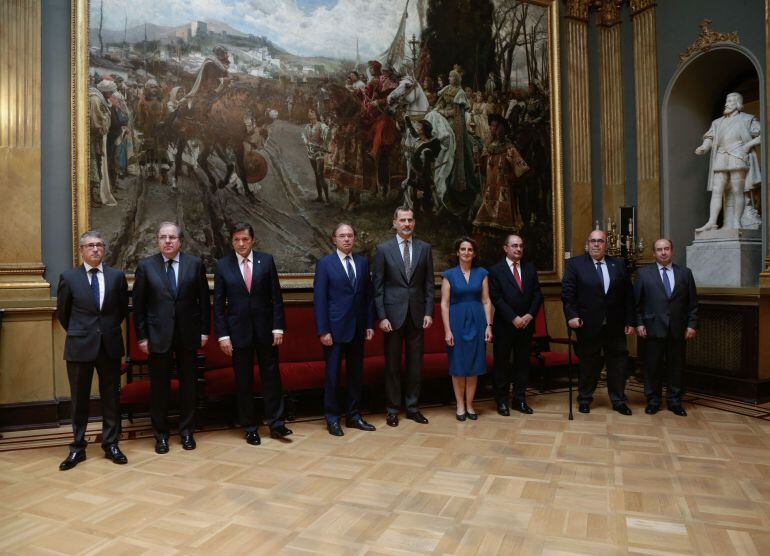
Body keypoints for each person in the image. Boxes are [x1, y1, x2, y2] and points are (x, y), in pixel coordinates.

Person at [132, 222, 210, 453]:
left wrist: (204, 331)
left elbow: (204, 301)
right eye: (163, 237)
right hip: (158, 336)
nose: (168, 241)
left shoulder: (194, 264)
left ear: (180, 241)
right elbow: (139, 306)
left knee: (189, 386)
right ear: (157, 240)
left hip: (188, 335)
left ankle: (187, 432)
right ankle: (161, 435)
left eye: (172, 237)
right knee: (159, 389)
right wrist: (142, 337)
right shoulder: (146, 266)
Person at [214, 222, 292, 445]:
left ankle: (277, 424)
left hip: (266, 330)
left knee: (272, 378)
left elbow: (276, 298)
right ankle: (250, 427)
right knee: (244, 381)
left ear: (253, 240)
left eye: (245, 239)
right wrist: (223, 336)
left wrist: (278, 327)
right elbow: (218, 306)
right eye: (236, 240)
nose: (241, 244)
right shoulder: (222, 266)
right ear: (232, 241)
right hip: (238, 333)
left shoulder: (266, 261)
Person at [56, 231, 129, 470]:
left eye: (99, 245)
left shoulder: (117, 276)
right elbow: (64, 314)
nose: (95, 249)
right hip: (79, 346)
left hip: (109, 345)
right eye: (90, 246)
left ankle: (111, 444)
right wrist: (83, 331)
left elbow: (120, 311)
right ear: (82, 250)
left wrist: (103, 330)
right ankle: (78, 447)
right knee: (79, 399)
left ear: (104, 249)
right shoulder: (69, 277)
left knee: (111, 397)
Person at [561, 229, 635, 415]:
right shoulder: (575, 264)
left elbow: (628, 295)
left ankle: (618, 400)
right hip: (587, 324)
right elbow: (568, 294)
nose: (596, 244)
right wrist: (571, 315)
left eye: (600, 241)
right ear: (587, 244)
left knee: (618, 363)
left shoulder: (618, 264)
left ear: (606, 245)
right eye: (592, 241)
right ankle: (585, 399)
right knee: (589, 363)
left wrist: (630, 320)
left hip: (615, 324)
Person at [373, 206, 435, 426]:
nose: (406, 224)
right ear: (395, 223)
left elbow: (429, 285)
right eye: (402, 220)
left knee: (415, 365)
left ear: (414, 223)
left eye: (410, 220)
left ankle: (412, 407)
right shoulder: (383, 249)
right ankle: (392, 409)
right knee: (392, 365)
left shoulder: (425, 248)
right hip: (392, 317)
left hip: (417, 315)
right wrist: (382, 316)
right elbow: (378, 287)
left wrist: (429, 312)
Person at [313, 223, 377, 436]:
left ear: (354, 238)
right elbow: (320, 299)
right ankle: (332, 418)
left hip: (358, 328)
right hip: (334, 330)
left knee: (355, 375)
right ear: (334, 239)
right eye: (342, 236)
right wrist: (323, 330)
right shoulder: (325, 264)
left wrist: (369, 324)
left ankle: (354, 415)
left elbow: (368, 297)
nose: (347, 239)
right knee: (332, 375)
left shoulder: (362, 262)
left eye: (350, 235)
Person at [634, 239, 698, 416]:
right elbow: (636, 303)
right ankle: (653, 401)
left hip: (678, 329)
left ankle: (674, 401)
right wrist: (639, 323)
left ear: (672, 251)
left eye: (666, 249)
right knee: (652, 367)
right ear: (653, 253)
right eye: (659, 250)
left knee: (676, 367)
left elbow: (692, 303)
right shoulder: (643, 274)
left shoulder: (685, 273)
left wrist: (691, 325)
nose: (663, 252)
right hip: (652, 328)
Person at [488, 234, 543, 415]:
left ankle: (519, 400)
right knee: (502, 365)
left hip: (526, 326)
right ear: (506, 248)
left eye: (520, 246)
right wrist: (513, 318)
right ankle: (502, 401)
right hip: (505, 326)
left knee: (522, 364)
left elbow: (537, 295)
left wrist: (528, 316)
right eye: (514, 246)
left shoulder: (529, 268)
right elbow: (496, 297)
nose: (518, 249)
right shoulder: (495, 270)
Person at [440, 237, 492, 420]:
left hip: (477, 322)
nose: (466, 252)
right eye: (463, 249)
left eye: (470, 249)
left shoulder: (482, 273)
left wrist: (488, 326)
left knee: (474, 365)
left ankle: (470, 405)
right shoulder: (449, 275)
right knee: (458, 366)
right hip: (456, 323)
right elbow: (444, 304)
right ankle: (460, 405)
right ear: (457, 252)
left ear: (474, 253)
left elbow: (486, 301)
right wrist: (447, 330)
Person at [695, 92, 762, 231]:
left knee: (738, 190)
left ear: (738, 103)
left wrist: (748, 145)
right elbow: (710, 138)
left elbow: (763, 134)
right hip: (721, 156)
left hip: (738, 155)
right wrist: (704, 147)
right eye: (727, 100)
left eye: (731, 101)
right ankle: (712, 221)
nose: (727, 103)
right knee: (717, 190)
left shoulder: (747, 119)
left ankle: (737, 222)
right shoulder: (717, 122)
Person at [301, 107, 331, 203]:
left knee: (320, 174)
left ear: (316, 115)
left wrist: (325, 145)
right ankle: (320, 197)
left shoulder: (321, 125)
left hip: (320, 152)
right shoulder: (307, 126)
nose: (310, 114)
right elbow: (303, 135)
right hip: (311, 152)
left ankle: (327, 199)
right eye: (309, 113)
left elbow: (328, 135)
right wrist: (306, 141)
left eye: (312, 112)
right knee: (316, 175)